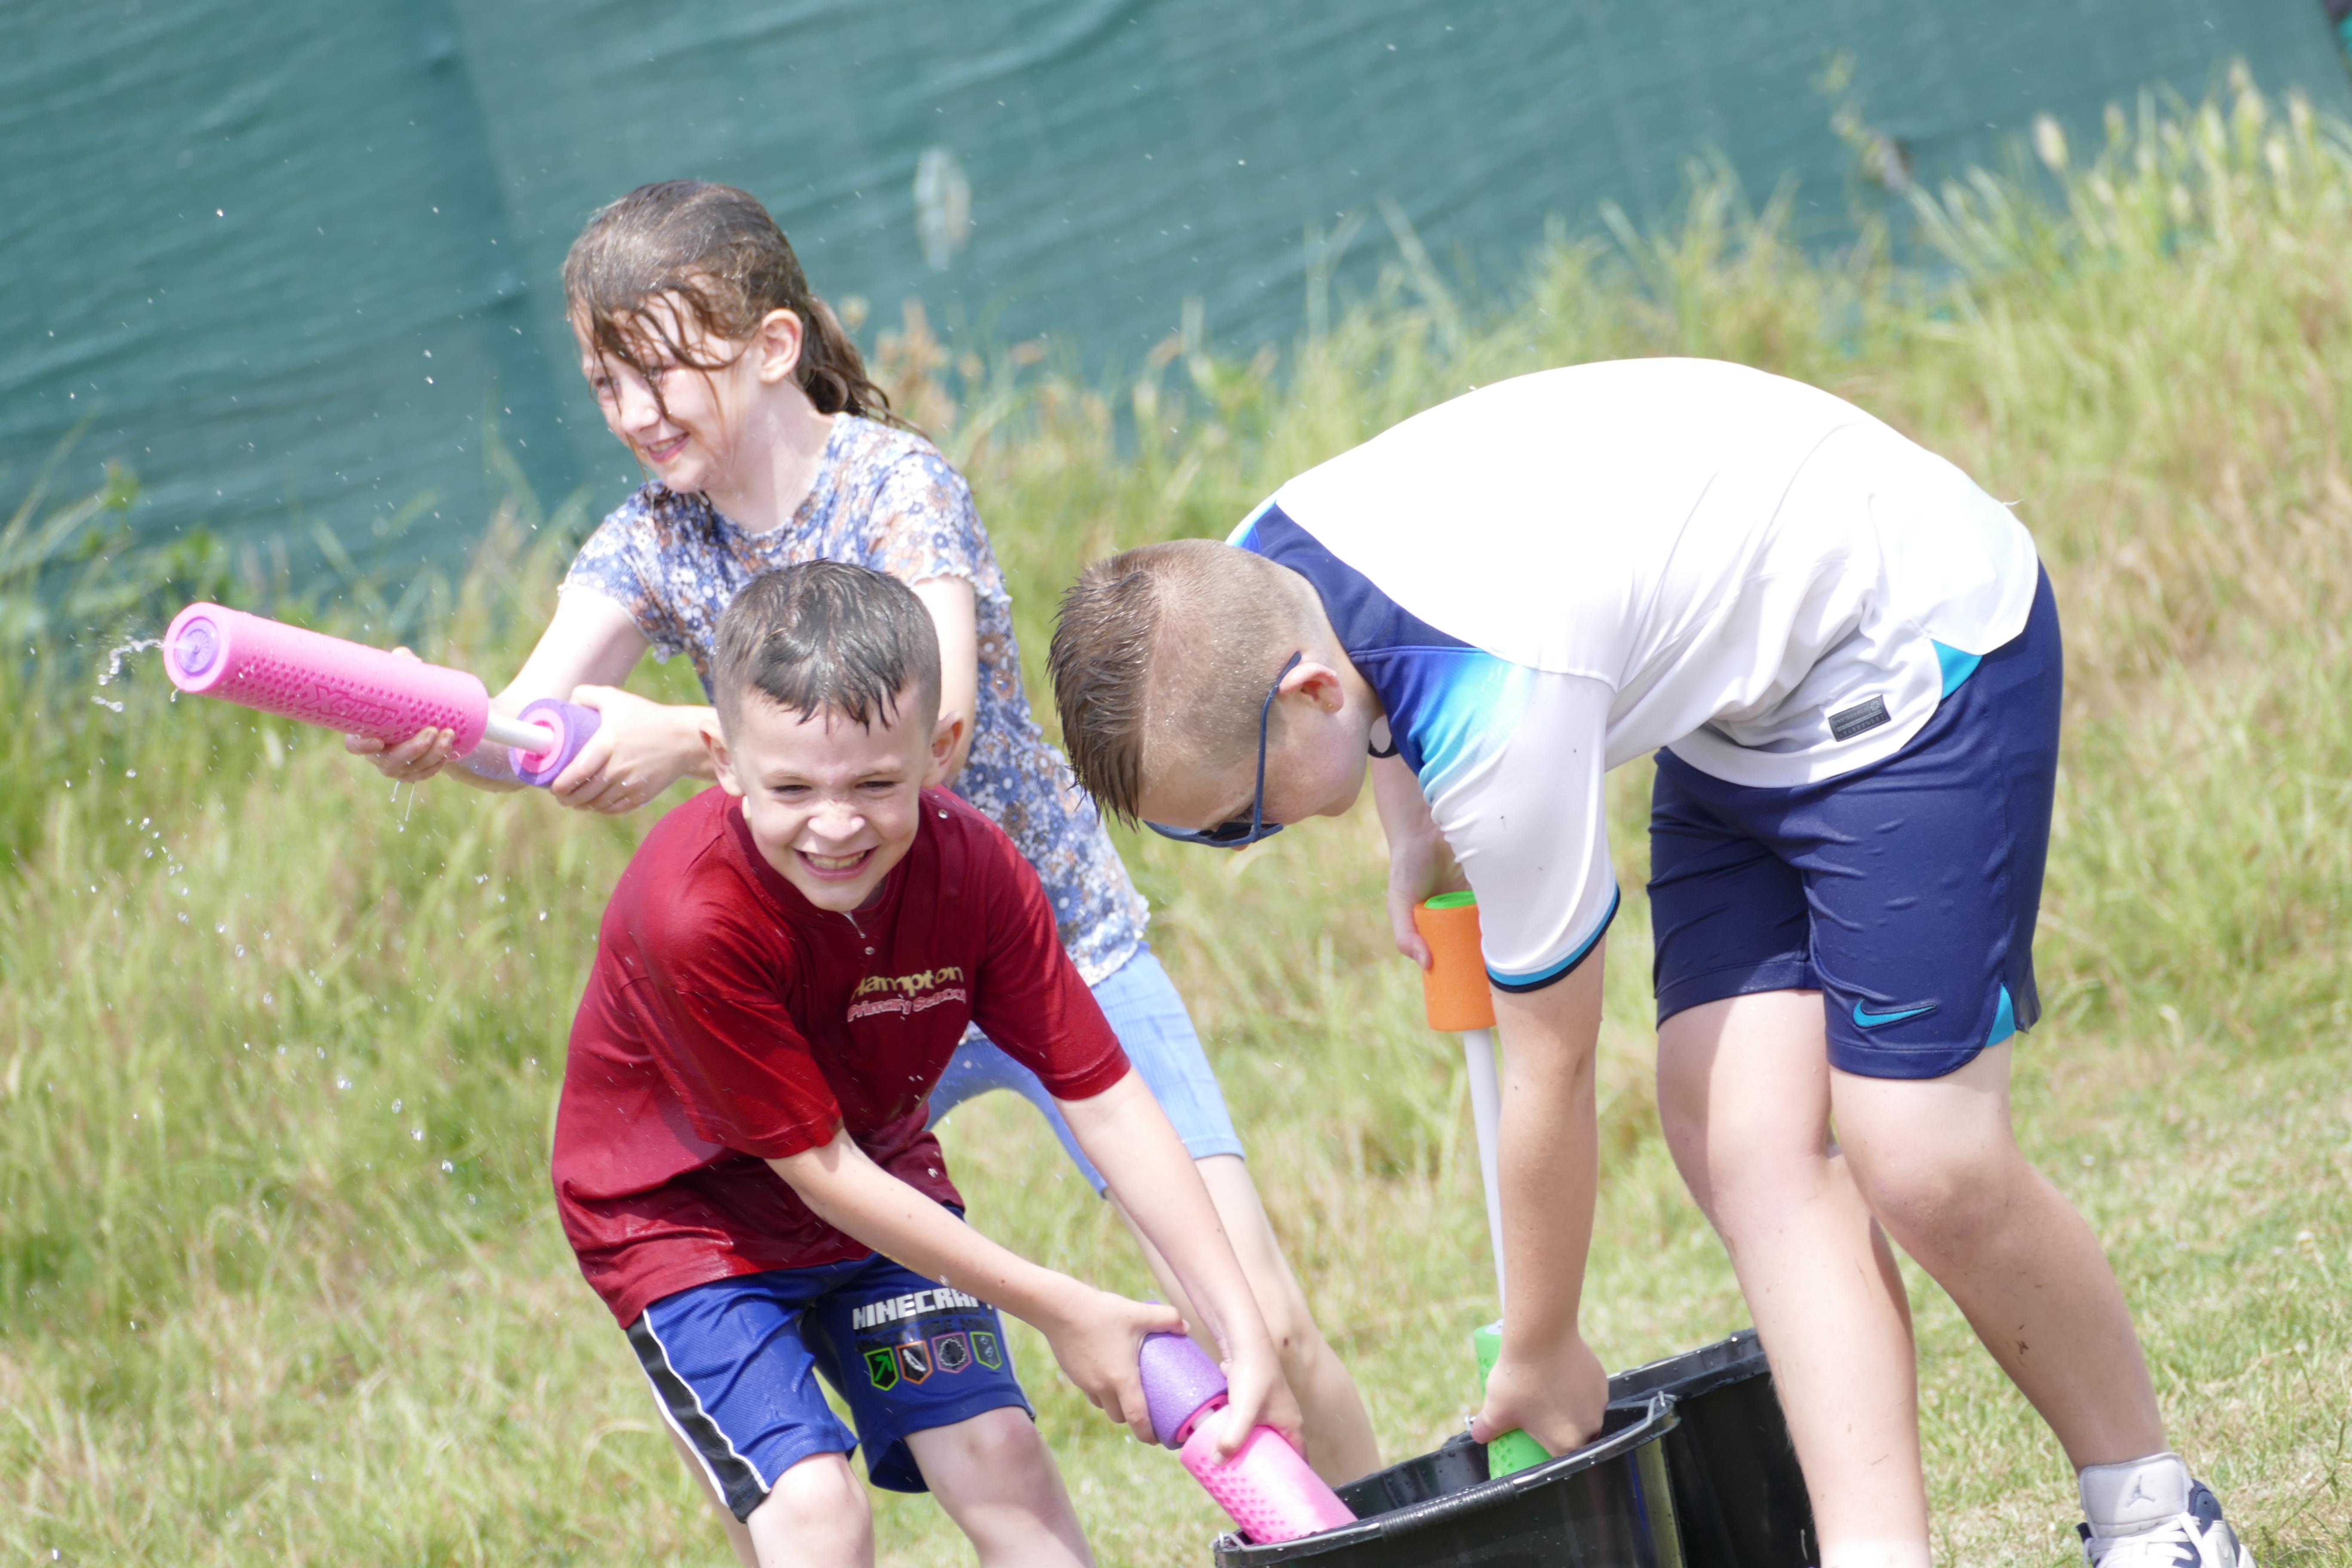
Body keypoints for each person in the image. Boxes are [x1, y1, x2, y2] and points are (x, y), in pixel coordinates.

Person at [1045, 358, 2254, 1568]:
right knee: (1737, 1135)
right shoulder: (1251, 577)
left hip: (1910, 645)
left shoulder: (1499, 714)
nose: (1242, 844)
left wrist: (1542, 1344)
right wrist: (1410, 825)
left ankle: (2153, 1511)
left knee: (1923, 1155)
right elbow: (1372, 670)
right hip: (1742, 708)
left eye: (1239, 820)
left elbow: (1555, 1071)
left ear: (1308, 693)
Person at [347, 180, 1378, 1481]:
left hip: (1048, 938)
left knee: (1261, 1323)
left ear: (773, 345)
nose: (636, 413)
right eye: (607, 383)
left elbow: (934, 716)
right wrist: (439, 727)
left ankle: (1400, 1532)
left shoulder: (898, 487)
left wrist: (693, 738)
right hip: (850, 1000)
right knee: (832, 1350)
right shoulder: (650, 543)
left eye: (663, 372)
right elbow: (528, 727)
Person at [553, 559, 1298, 1567]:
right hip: (688, 1230)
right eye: (792, 787)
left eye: (874, 783)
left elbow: (1107, 1099)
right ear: (723, 760)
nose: (835, 824)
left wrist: (1241, 1326)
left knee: (1002, 1459)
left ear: (939, 749)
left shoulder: (975, 869)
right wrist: (1064, 1308)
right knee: (818, 1514)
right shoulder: (693, 916)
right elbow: (818, 1172)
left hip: (876, 1174)